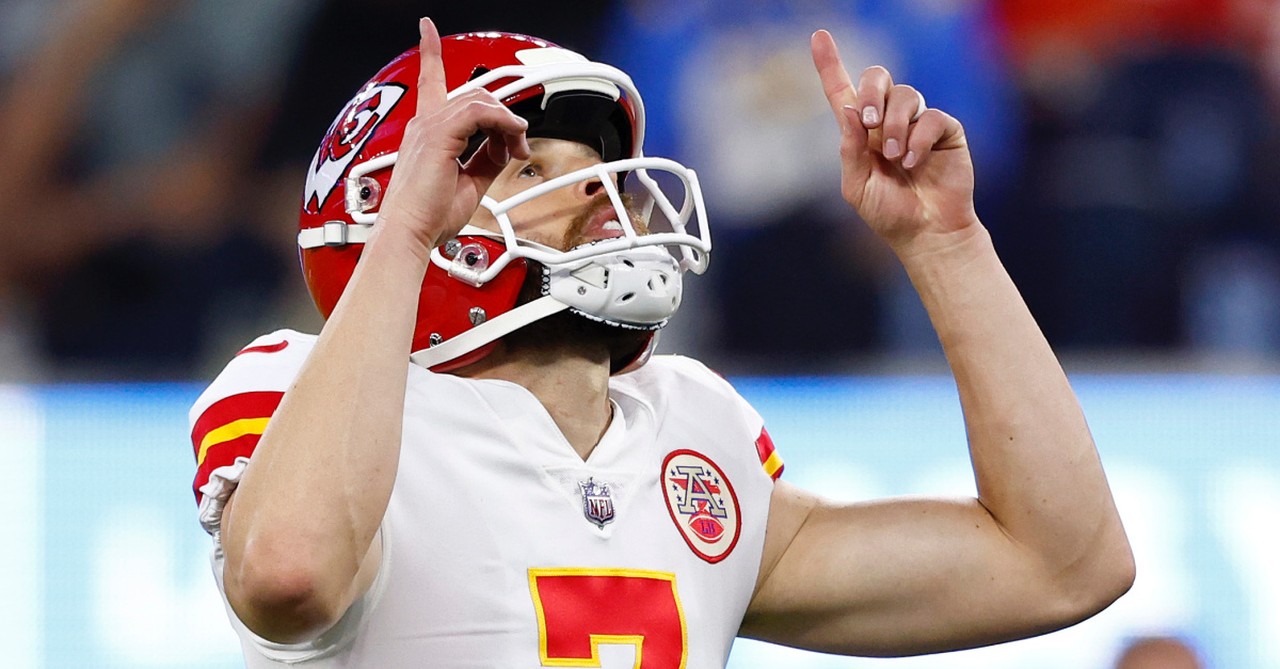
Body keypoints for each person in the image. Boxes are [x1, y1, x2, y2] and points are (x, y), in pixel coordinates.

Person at [188, 18, 1134, 667]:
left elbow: (1063, 562)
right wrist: (402, 238)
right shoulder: (297, 385)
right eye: (530, 167)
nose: (603, 193)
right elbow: (289, 574)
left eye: (601, 169)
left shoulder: (691, 428)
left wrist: (948, 245)